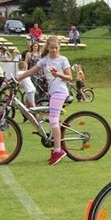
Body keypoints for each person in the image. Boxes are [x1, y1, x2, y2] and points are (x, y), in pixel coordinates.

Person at [16, 36, 73, 165]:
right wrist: (18, 78)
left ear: (59, 47)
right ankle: (56, 144)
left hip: (60, 91)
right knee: (43, 114)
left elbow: (70, 77)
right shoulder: (45, 60)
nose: (54, 50)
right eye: (51, 47)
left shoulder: (63, 60)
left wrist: (58, 74)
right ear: (47, 47)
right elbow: (31, 71)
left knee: (53, 119)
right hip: (52, 92)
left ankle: (58, 151)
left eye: (56, 48)